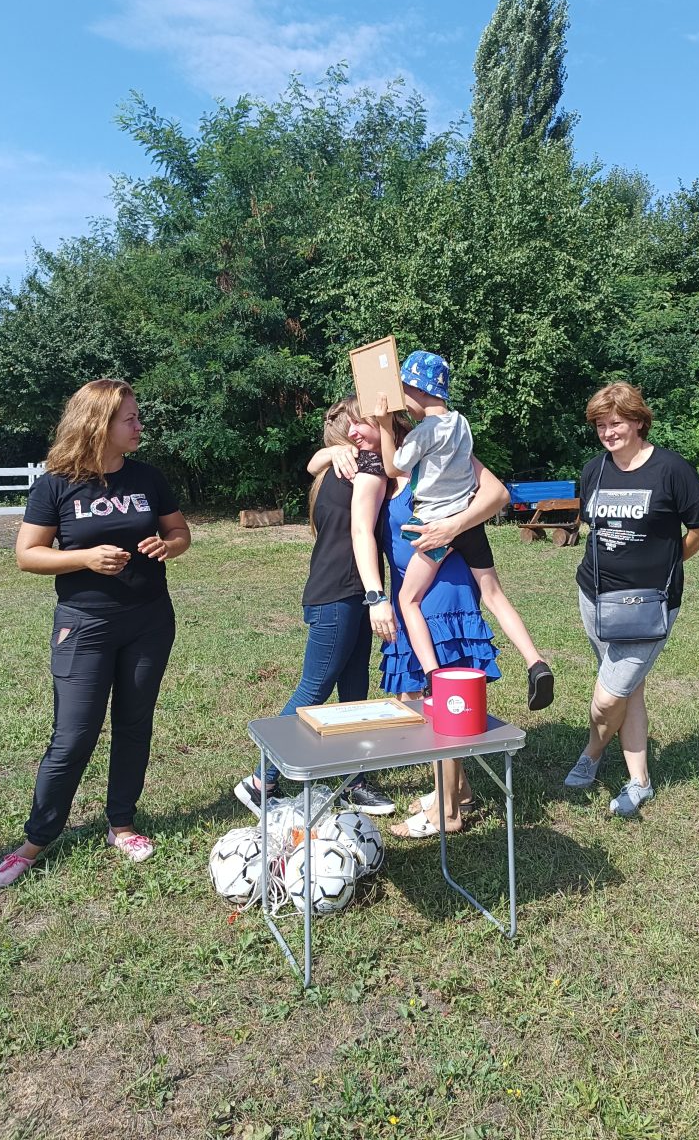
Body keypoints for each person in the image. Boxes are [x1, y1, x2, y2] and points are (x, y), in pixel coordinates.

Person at [0, 379, 191, 888]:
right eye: (130, 418)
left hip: (149, 620)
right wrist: (85, 558)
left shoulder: (147, 476)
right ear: (99, 424)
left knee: (134, 724)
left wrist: (169, 545)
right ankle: (36, 840)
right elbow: (27, 554)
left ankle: (121, 825)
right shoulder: (56, 484)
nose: (140, 425)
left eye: (137, 416)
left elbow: (180, 532)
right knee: (73, 735)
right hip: (84, 624)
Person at [315, 404, 512, 838]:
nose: (353, 434)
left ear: (387, 419)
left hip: (444, 591)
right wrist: (376, 596)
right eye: (348, 430)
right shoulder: (376, 468)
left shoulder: (439, 448)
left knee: (438, 697)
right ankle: (455, 791)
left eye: (361, 423)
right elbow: (359, 529)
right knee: (418, 697)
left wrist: (454, 526)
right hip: (410, 597)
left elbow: (497, 494)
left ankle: (447, 812)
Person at [233, 397, 401, 818]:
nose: (363, 433)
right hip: (339, 594)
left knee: (355, 690)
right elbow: (361, 530)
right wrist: (377, 596)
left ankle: (353, 781)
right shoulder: (363, 466)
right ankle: (260, 782)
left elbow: (315, 463)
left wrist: (330, 451)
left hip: (347, 591)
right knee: (314, 690)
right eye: (358, 426)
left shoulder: (335, 467)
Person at [564, 381, 699, 816]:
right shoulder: (595, 469)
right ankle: (640, 780)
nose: (608, 433)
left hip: (647, 605)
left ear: (638, 422)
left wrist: (668, 564)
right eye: (600, 425)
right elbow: (592, 526)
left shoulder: (672, 470)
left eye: (616, 423)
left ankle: (591, 753)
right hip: (595, 597)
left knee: (608, 697)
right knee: (630, 690)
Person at [375, 350, 553, 711]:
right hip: (469, 524)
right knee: (494, 596)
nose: (403, 402)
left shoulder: (423, 432)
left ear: (420, 390)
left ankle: (431, 675)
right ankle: (535, 662)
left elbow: (393, 468)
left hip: (436, 526)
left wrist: (382, 423)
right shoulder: (461, 423)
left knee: (408, 600)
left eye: (405, 392)